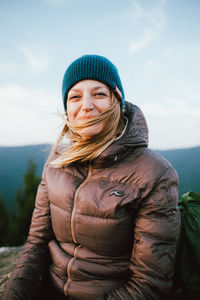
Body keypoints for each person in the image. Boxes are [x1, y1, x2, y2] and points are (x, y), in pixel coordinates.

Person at [1, 55, 180, 300]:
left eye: (98, 94)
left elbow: (149, 283)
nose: (86, 105)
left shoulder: (155, 173)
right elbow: (36, 245)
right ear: (67, 109)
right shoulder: (55, 164)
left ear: (117, 100)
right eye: (75, 96)